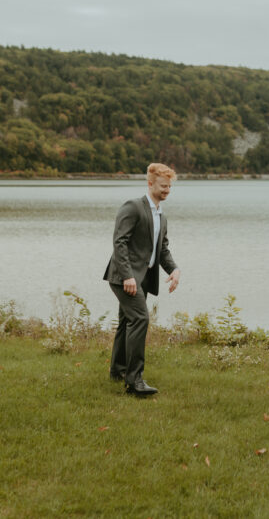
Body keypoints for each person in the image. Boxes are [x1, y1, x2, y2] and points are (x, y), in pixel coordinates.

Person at [103, 163, 181, 397]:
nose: (167, 190)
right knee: (140, 318)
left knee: (127, 321)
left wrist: (174, 269)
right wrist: (127, 275)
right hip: (123, 277)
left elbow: (162, 250)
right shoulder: (133, 207)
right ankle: (134, 380)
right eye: (162, 186)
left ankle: (118, 371)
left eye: (169, 186)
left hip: (141, 278)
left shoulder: (161, 216)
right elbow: (120, 242)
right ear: (150, 183)